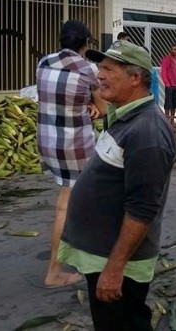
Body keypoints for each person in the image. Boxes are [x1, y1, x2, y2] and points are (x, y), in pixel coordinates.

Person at [58, 40, 176, 330]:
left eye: (110, 69)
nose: (100, 75)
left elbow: (142, 209)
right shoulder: (126, 115)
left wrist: (114, 269)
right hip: (102, 252)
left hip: (114, 261)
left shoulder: (146, 131)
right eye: (100, 67)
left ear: (135, 78)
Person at [36, 21, 107, 289]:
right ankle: (54, 271)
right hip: (74, 144)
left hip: (47, 141)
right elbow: (103, 108)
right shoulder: (87, 68)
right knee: (69, 204)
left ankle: (80, 253)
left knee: (72, 198)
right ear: (85, 44)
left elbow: (56, 95)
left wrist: (87, 103)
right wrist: (93, 105)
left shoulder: (44, 62)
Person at [160, 44, 176, 125]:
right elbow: (163, 72)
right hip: (169, 86)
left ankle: (172, 122)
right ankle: (166, 122)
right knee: (168, 105)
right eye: (173, 49)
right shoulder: (166, 60)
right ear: (170, 50)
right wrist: (167, 84)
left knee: (174, 105)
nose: (174, 51)